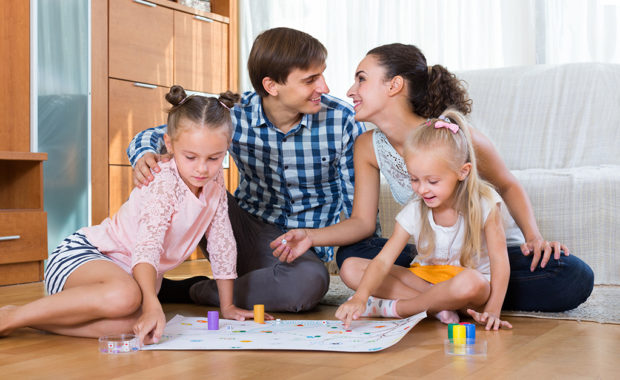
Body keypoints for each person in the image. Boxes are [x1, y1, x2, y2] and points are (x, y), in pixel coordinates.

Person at [271, 43, 594, 312]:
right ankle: (449, 300)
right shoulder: (367, 145)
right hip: (431, 258)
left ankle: (448, 296)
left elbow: (507, 184)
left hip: (481, 256)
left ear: (394, 85)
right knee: (353, 256)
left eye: (361, 79)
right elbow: (362, 223)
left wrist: (534, 238)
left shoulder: (453, 138)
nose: (350, 90)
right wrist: (311, 236)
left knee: (572, 275)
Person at [0, 86, 266, 344]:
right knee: (128, 297)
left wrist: (227, 305)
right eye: (191, 156)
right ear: (169, 144)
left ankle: (27, 319)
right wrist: (152, 304)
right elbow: (147, 247)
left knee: (132, 324)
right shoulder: (163, 182)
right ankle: (11, 316)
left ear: (227, 147)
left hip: (125, 279)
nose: (202, 169)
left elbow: (222, 242)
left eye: (213, 158)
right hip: (82, 258)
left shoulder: (215, 183)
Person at [127, 27, 366, 312]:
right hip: (241, 227)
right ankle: (130, 266)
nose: (324, 87)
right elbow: (159, 134)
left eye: (322, 75)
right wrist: (145, 156)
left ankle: (193, 290)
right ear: (271, 86)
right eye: (311, 80)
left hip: (303, 247)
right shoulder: (235, 114)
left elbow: (359, 213)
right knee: (176, 168)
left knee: (307, 284)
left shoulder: (343, 121)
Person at [335, 114, 513, 330]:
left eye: (433, 181)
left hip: (467, 292)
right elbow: (383, 261)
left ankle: (397, 309)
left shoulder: (485, 203)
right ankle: (438, 308)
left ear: (462, 172)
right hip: (424, 280)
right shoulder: (415, 208)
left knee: (472, 282)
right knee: (350, 268)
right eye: (414, 179)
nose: (422, 189)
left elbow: (500, 261)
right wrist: (360, 297)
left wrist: (493, 310)